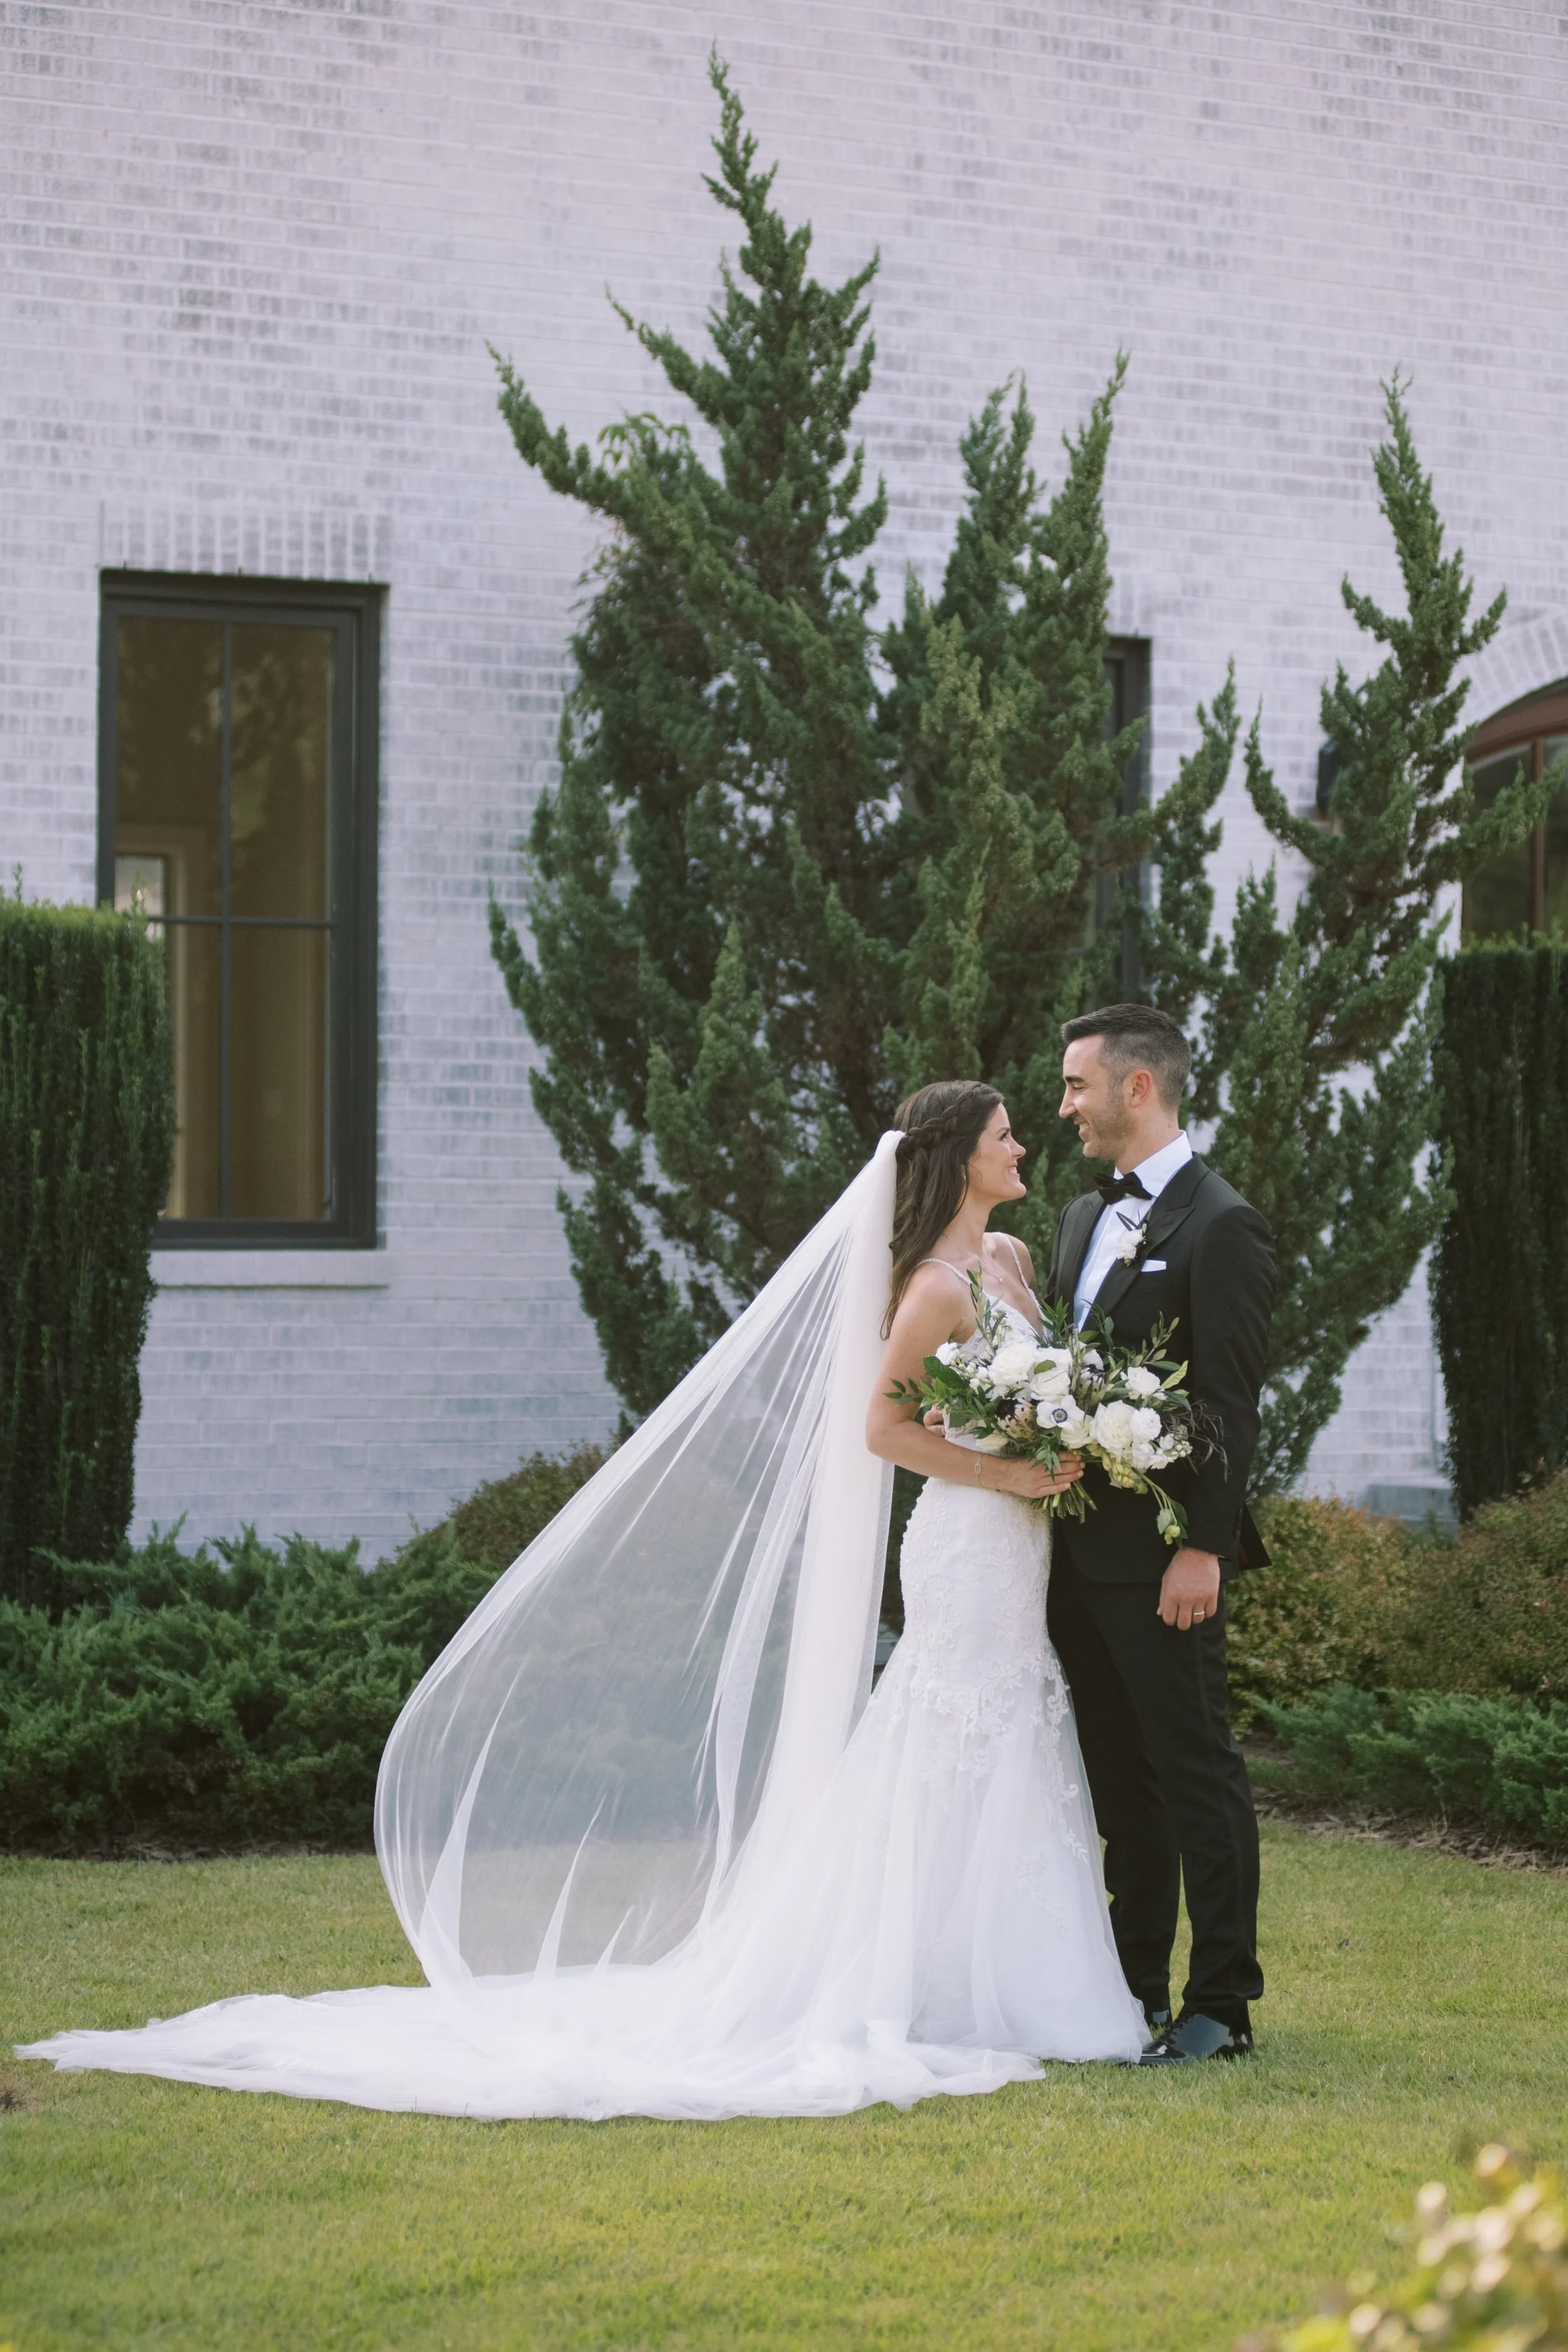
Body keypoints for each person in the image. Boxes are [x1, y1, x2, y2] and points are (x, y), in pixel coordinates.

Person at [19, 1083, 1145, 2122]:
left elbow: (1024, 1387)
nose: (1019, 1142)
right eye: (1002, 1131)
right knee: (953, 1723)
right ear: (957, 1155)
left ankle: (993, 1975)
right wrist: (1006, 1468)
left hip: (1021, 1539)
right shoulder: (932, 1289)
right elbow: (882, 1427)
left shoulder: (1004, 1259)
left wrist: (1070, 1427)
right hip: (966, 1536)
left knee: (1013, 1717)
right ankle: (933, 1983)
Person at [1044, 1004, 1276, 2065]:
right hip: (1075, 1556)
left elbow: (1230, 1404)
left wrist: (1204, 1547)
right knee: (1118, 1783)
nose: (1065, 1107)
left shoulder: (1221, 1224)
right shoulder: (1080, 1218)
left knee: (1197, 1770)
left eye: (1077, 1085)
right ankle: (1130, 1986)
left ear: (1138, 1088)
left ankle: (1220, 2002)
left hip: (1165, 1557)